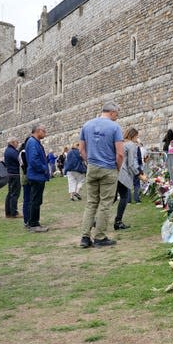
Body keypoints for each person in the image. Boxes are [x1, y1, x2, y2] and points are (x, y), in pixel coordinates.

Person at [78, 101, 124, 248]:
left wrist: (89, 162)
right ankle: (99, 237)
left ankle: (85, 237)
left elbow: (81, 150)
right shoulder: (115, 127)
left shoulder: (87, 125)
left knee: (91, 203)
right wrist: (117, 168)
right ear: (111, 112)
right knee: (105, 204)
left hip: (92, 167)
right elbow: (120, 153)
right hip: (108, 168)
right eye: (116, 114)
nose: (117, 116)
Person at [115, 127, 147, 230]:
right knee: (123, 197)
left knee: (112, 198)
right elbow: (131, 164)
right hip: (123, 174)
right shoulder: (131, 145)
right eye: (137, 136)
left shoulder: (122, 143)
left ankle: (96, 218)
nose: (137, 138)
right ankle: (118, 221)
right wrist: (139, 175)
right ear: (133, 136)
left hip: (115, 172)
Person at [25, 124, 50, 232]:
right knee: (35, 200)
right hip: (36, 176)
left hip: (37, 175)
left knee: (35, 200)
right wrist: (44, 168)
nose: (45, 133)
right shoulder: (32, 142)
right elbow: (34, 160)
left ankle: (32, 222)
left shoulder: (34, 142)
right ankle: (34, 224)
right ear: (38, 131)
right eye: (44, 131)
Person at [4, 137, 21, 218]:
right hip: (14, 174)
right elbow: (19, 160)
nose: (17, 144)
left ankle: (8, 212)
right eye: (16, 142)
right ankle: (14, 212)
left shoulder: (8, 150)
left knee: (10, 193)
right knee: (15, 193)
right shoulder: (12, 151)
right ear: (12, 142)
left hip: (10, 173)